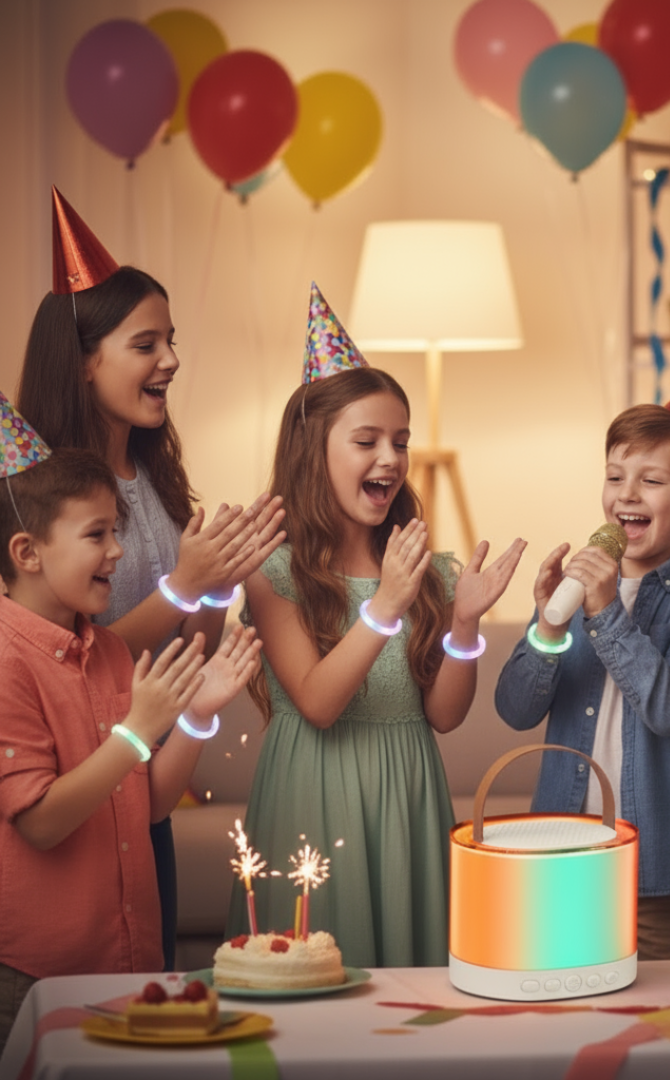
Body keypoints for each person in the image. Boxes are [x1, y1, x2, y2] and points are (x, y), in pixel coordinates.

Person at [16, 187, 285, 970]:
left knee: (151, 977)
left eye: (171, 339)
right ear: (84, 359)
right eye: (146, 343)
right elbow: (69, 646)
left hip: (151, 773)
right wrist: (181, 587)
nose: (169, 360)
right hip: (78, 774)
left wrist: (213, 586)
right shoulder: (42, 503)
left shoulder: (156, 476)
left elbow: (177, 651)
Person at [226, 285, 527, 968]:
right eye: (366, 441)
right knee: (310, 977)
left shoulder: (429, 568)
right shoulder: (273, 572)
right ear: (312, 451)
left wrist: (466, 623)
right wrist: (385, 603)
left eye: (400, 440)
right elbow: (319, 702)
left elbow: (445, 715)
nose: (390, 458)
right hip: (315, 790)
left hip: (407, 790)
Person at [0, 404, 261, 1054]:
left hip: (130, 960)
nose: (118, 551)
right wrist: (138, 731)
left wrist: (198, 714)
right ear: (27, 552)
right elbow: (41, 820)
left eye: (116, 530)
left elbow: (149, 806)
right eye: (97, 535)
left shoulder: (113, 653)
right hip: (35, 976)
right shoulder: (6, 662)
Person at [496, 350, 670, 960]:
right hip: (561, 855)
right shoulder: (578, 583)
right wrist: (550, 623)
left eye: (651, 481)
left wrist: (605, 613)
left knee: (658, 1026)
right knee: (558, 1003)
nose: (625, 494)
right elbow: (516, 709)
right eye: (614, 476)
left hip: (658, 872)